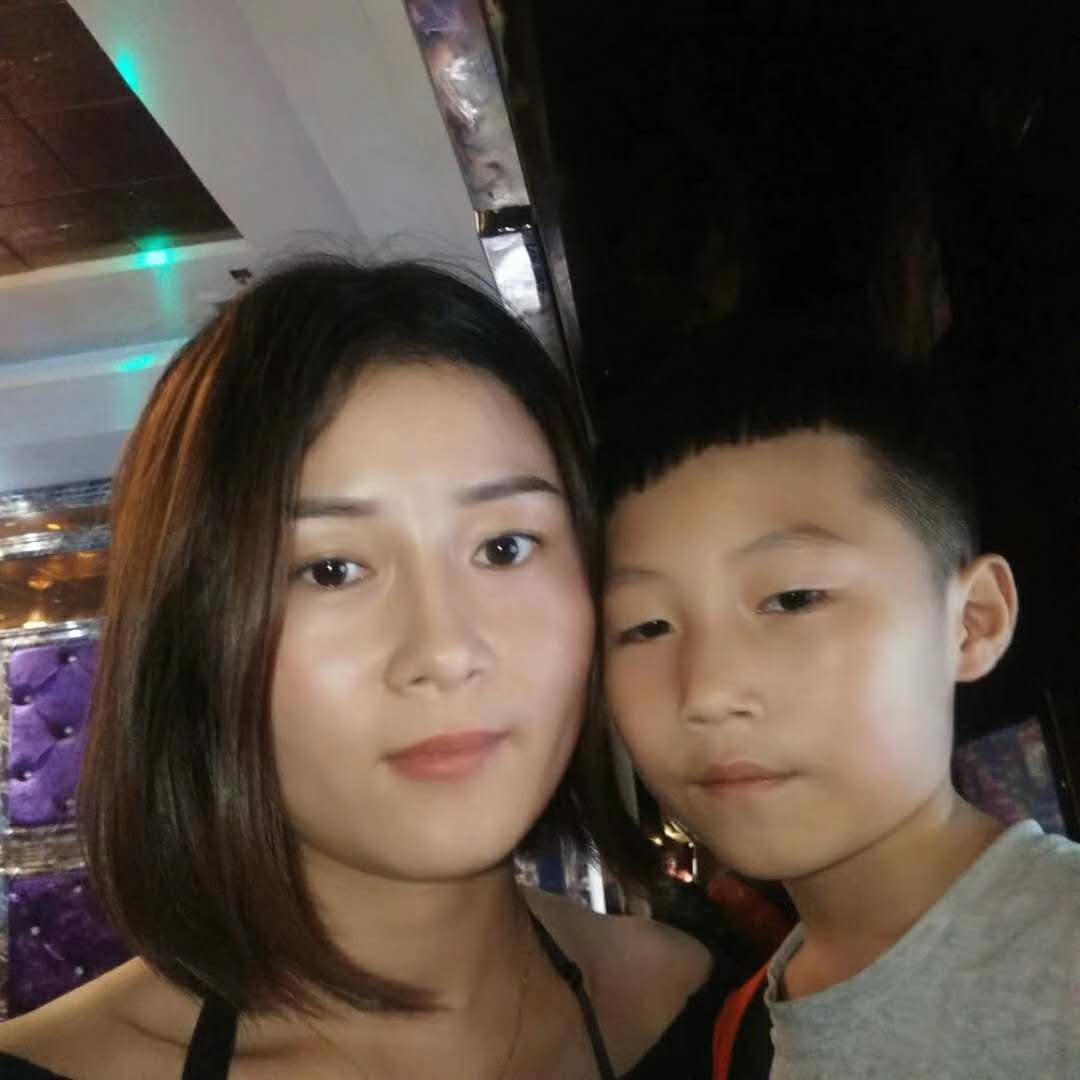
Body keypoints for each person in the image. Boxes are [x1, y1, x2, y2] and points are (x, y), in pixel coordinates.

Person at [0, 259, 740, 1078]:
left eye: (504, 547)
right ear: (195, 636)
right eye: (332, 570)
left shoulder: (721, 1012)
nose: (446, 651)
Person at [599, 321, 1080, 1079]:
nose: (708, 691)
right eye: (646, 627)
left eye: (793, 598)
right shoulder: (736, 1036)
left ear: (972, 622)